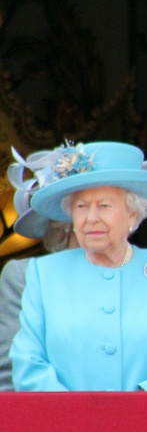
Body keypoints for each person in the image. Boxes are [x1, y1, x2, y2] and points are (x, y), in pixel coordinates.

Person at [10, 141, 147, 391]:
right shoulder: (43, 275)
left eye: (104, 206)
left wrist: (131, 411)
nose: (91, 218)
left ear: (133, 213)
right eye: (81, 206)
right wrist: (77, 416)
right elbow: (28, 366)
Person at [0, 149, 79, 391]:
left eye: (107, 206)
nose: (97, 218)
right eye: (84, 207)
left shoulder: (146, 275)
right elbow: (8, 374)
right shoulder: (24, 276)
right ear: (62, 222)